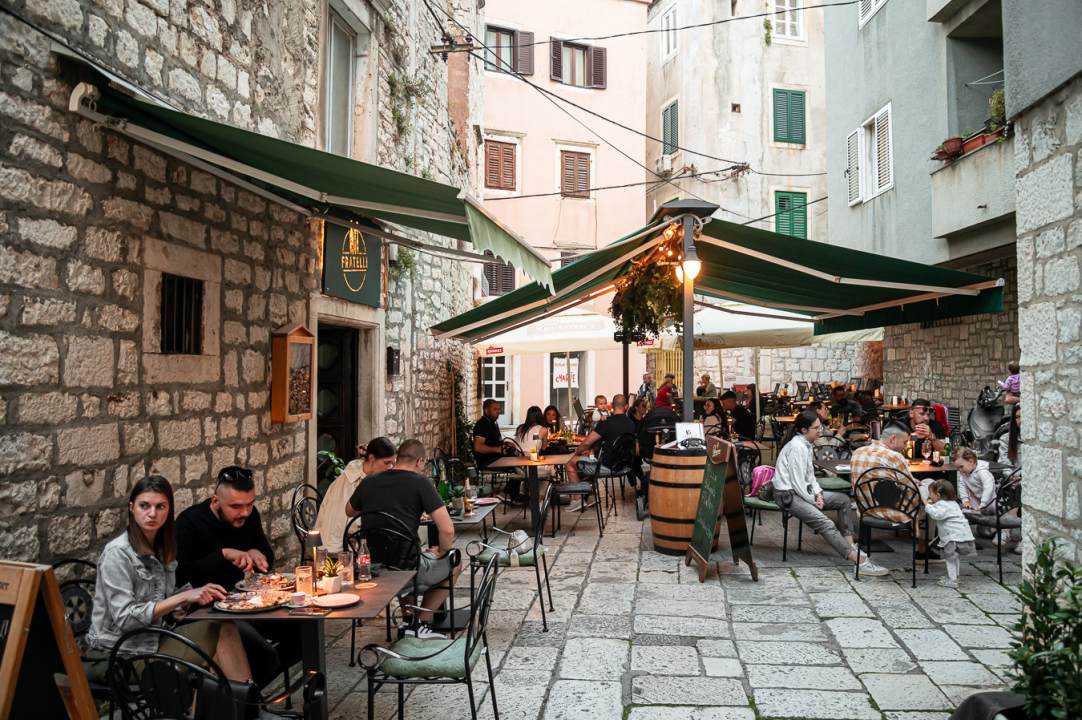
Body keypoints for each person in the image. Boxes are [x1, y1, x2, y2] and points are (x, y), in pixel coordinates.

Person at [86, 476, 284, 719]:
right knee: (215, 648)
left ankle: (242, 711)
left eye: (160, 507)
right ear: (131, 509)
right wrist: (182, 598)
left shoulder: (162, 548)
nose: (152, 514)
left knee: (224, 627)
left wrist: (190, 598)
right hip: (120, 654)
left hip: (153, 640)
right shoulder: (118, 554)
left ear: (169, 511)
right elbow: (126, 619)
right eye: (144, 506)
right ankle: (244, 713)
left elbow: (169, 612)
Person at [176, 466, 300, 688]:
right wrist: (223, 555)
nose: (244, 512)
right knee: (266, 656)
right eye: (235, 506)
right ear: (215, 501)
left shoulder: (249, 516)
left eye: (249, 504)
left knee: (303, 634)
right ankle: (242, 695)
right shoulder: (190, 522)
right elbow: (181, 574)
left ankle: (245, 692)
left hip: (245, 601)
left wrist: (257, 554)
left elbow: (267, 556)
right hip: (207, 608)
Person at [346, 439, 462, 640]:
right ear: (419, 461)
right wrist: (442, 551)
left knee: (405, 550)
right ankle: (420, 623)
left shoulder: (370, 480)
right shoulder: (421, 483)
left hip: (371, 567)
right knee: (455, 562)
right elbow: (447, 530)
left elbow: (349, 511)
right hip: (406, 570)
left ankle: (408, 621)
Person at [772, 411, 889, 576]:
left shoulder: (805, 444)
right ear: (804, 430)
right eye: (815, 428)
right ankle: (860, 562)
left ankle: (850, 545)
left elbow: (809, 476)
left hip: (803, 493)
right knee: (826, 523)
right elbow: (798, 484)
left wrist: (818, 494)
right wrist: (814, 500)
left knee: (843, 500)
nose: (820, 431)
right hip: (788, 495)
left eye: (819, 426)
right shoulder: (797, 447)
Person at [849, 424, 941, 562]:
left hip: (866, 510)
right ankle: (923, 550)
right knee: (931, 491)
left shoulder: (857, 452)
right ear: (893, 439)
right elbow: (912, 494)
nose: (905, 447)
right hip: (895, 511)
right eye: (904, 442)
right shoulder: (895, 457)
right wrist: (923, 494)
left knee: (925, 491)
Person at [314, 438, 396, 554]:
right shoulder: (347, 484)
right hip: (348, 549)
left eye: (392, 463)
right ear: (372, 458)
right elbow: (335, 526)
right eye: (387, 463)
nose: (389, 467)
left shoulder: (377, 478)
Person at [566, 394, 636, 483]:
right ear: (626, 406)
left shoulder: (606, 422)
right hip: (624, 465)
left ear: (612, 406)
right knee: (588, 457)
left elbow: (586, 443)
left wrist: (576, 453)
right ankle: (589, 490)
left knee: (570, 462)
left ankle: (578, 496)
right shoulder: (632, 424)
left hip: (607, 466)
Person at [923, 479, 976, 589]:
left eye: (931, 494)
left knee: (950, 558)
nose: (930, 496)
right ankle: (955, 576)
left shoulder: (942, 504)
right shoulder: (952, 503)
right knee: (954, 557)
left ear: (938, 495)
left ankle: (952, 580)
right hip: (960, 534)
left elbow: (936, 514)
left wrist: (927, 505)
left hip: (952, 536)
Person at [473, 399, 505, 470]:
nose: (498, 412)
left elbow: (493, 442)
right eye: (495, 409)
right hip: (488, 462)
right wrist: (497, 449)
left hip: (496, 459)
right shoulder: (482, 425)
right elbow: (478, 447)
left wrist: (506, 444)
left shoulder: (492, 423)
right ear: (486, 411)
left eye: (498, 409)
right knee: (515, 464)